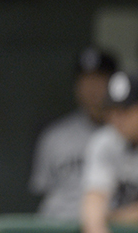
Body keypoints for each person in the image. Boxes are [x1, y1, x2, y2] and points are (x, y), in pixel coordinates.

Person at [29, 47, 118, 221]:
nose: (92, 88)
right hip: (59, 225)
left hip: (109, 225)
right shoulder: (54, 136)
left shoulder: (128, 138)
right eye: (85, 80)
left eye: (99, 79)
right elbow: (42, 190)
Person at [81, 70, 138, 233]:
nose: (116, 119)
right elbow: (93, 202)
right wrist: (97, 225)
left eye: (125, 111)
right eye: (111, 110)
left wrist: (112, 217)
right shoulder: (105, 142)